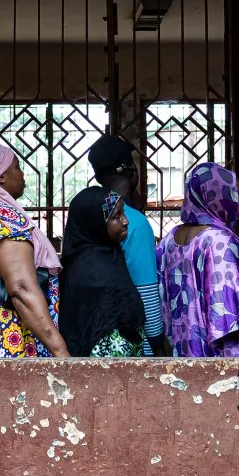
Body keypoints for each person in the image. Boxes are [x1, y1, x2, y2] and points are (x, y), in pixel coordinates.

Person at [157, 161, 239, 358]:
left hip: (184, 354)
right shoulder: (218, 242)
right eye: (233, 193)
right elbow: (230, 317)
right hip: (223, 360)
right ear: (213, 197)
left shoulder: (169, 241)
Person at [0, 142, 67, 358]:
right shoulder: (5, 219)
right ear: (0, 176)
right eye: (18, 167)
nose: (22, 174)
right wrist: (61, 351)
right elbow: (21, 288)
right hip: (16, 345)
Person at [87, 135, 168, 356]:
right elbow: (146, 290)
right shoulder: (134, 223)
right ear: (131, 170)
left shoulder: (91, 216)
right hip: (134, 340)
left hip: (98, 338)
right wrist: (158, 347)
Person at [58, 187, 147, 357]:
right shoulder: (94, 270)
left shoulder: (108, 255)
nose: (125, 221)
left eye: (123, 213)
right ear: (95, 222)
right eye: (116, 217)